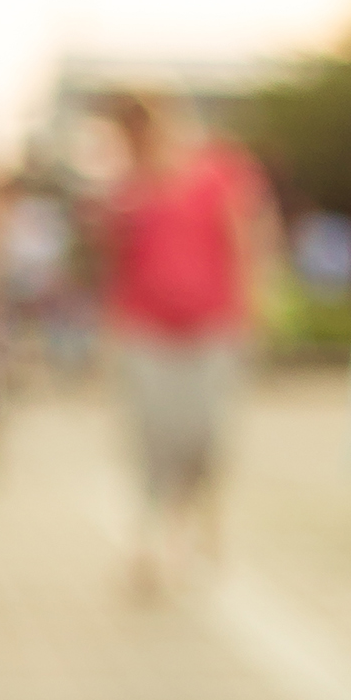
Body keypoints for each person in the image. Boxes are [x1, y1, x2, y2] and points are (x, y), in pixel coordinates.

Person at [98, 92, 273, 589]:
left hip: (213, 326)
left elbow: (247, 237)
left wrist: (253, 303)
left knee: (206, 435)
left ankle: (200, 517)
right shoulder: (125, 191)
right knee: (151, 438)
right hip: (146, 330)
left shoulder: (219, 171)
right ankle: (150, 539)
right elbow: (115, 266)